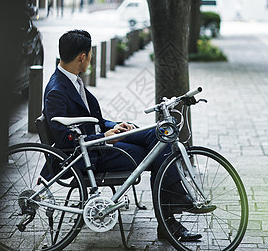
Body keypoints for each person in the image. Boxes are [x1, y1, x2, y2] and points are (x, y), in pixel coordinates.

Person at [42, 29, 202, 242]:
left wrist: (116, 126)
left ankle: (173, 210)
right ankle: (170, 218)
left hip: (98, 143)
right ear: (82, 57)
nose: (90, 59)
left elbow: (92, 120)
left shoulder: (71, 79)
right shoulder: (57, 90)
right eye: (89, 55)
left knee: (155, 137)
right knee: (154, 153)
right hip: (88, 156)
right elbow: (66, 140)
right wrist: (106, 136)